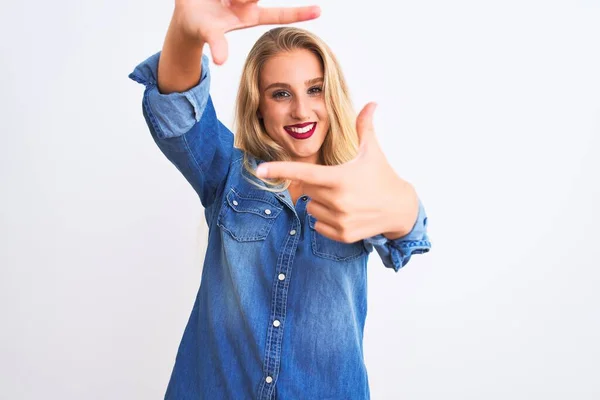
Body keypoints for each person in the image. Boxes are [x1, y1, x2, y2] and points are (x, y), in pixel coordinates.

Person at [129, 1, 431, 398]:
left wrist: (402, 205)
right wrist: (184, 36)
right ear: (259, 106)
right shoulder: (228, 174)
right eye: (281, 94)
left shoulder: (354, 187)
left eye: (315, 89)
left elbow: (408, 233)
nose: (301, 110)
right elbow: (177, 113)